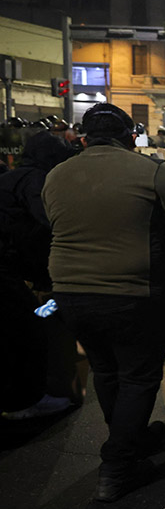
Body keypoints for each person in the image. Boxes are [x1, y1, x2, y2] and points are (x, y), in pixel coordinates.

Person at [42, 103, 165, 501]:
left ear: (83, 137)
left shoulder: (56, 174)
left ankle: (128, 438)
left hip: (69, 294)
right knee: (139, 376)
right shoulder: (151, 171)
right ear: (130, 136)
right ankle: (118, 463)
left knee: (106, 371)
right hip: (133, 293)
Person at [0, 130, 76, 419]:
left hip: (9, 267)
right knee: (27, 328)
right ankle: (25, 402)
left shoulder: (15, 176)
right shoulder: (35, 180)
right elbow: (51, 222)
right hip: (3, 269)